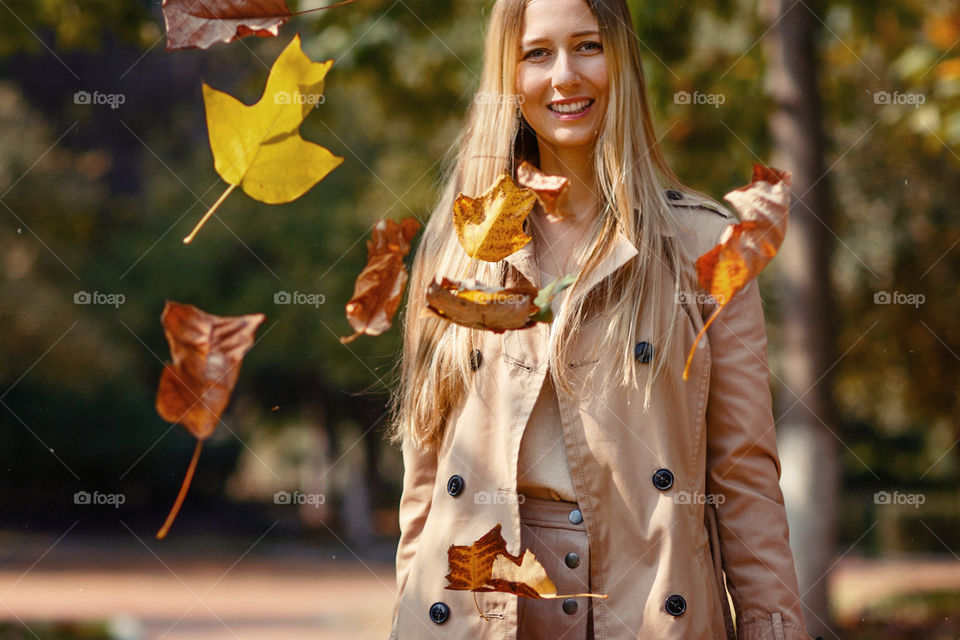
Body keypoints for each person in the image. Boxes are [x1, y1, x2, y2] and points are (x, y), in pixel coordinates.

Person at [386, 0, 815, 638]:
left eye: (588, 45)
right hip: (475, 611)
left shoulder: (703, 248)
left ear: (623, 60)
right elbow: (424, 483)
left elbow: (743, 473)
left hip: (642, 606)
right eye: (537, 53)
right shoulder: (458, 249)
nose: (565, 75)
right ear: (508, 75)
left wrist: (772, 627)